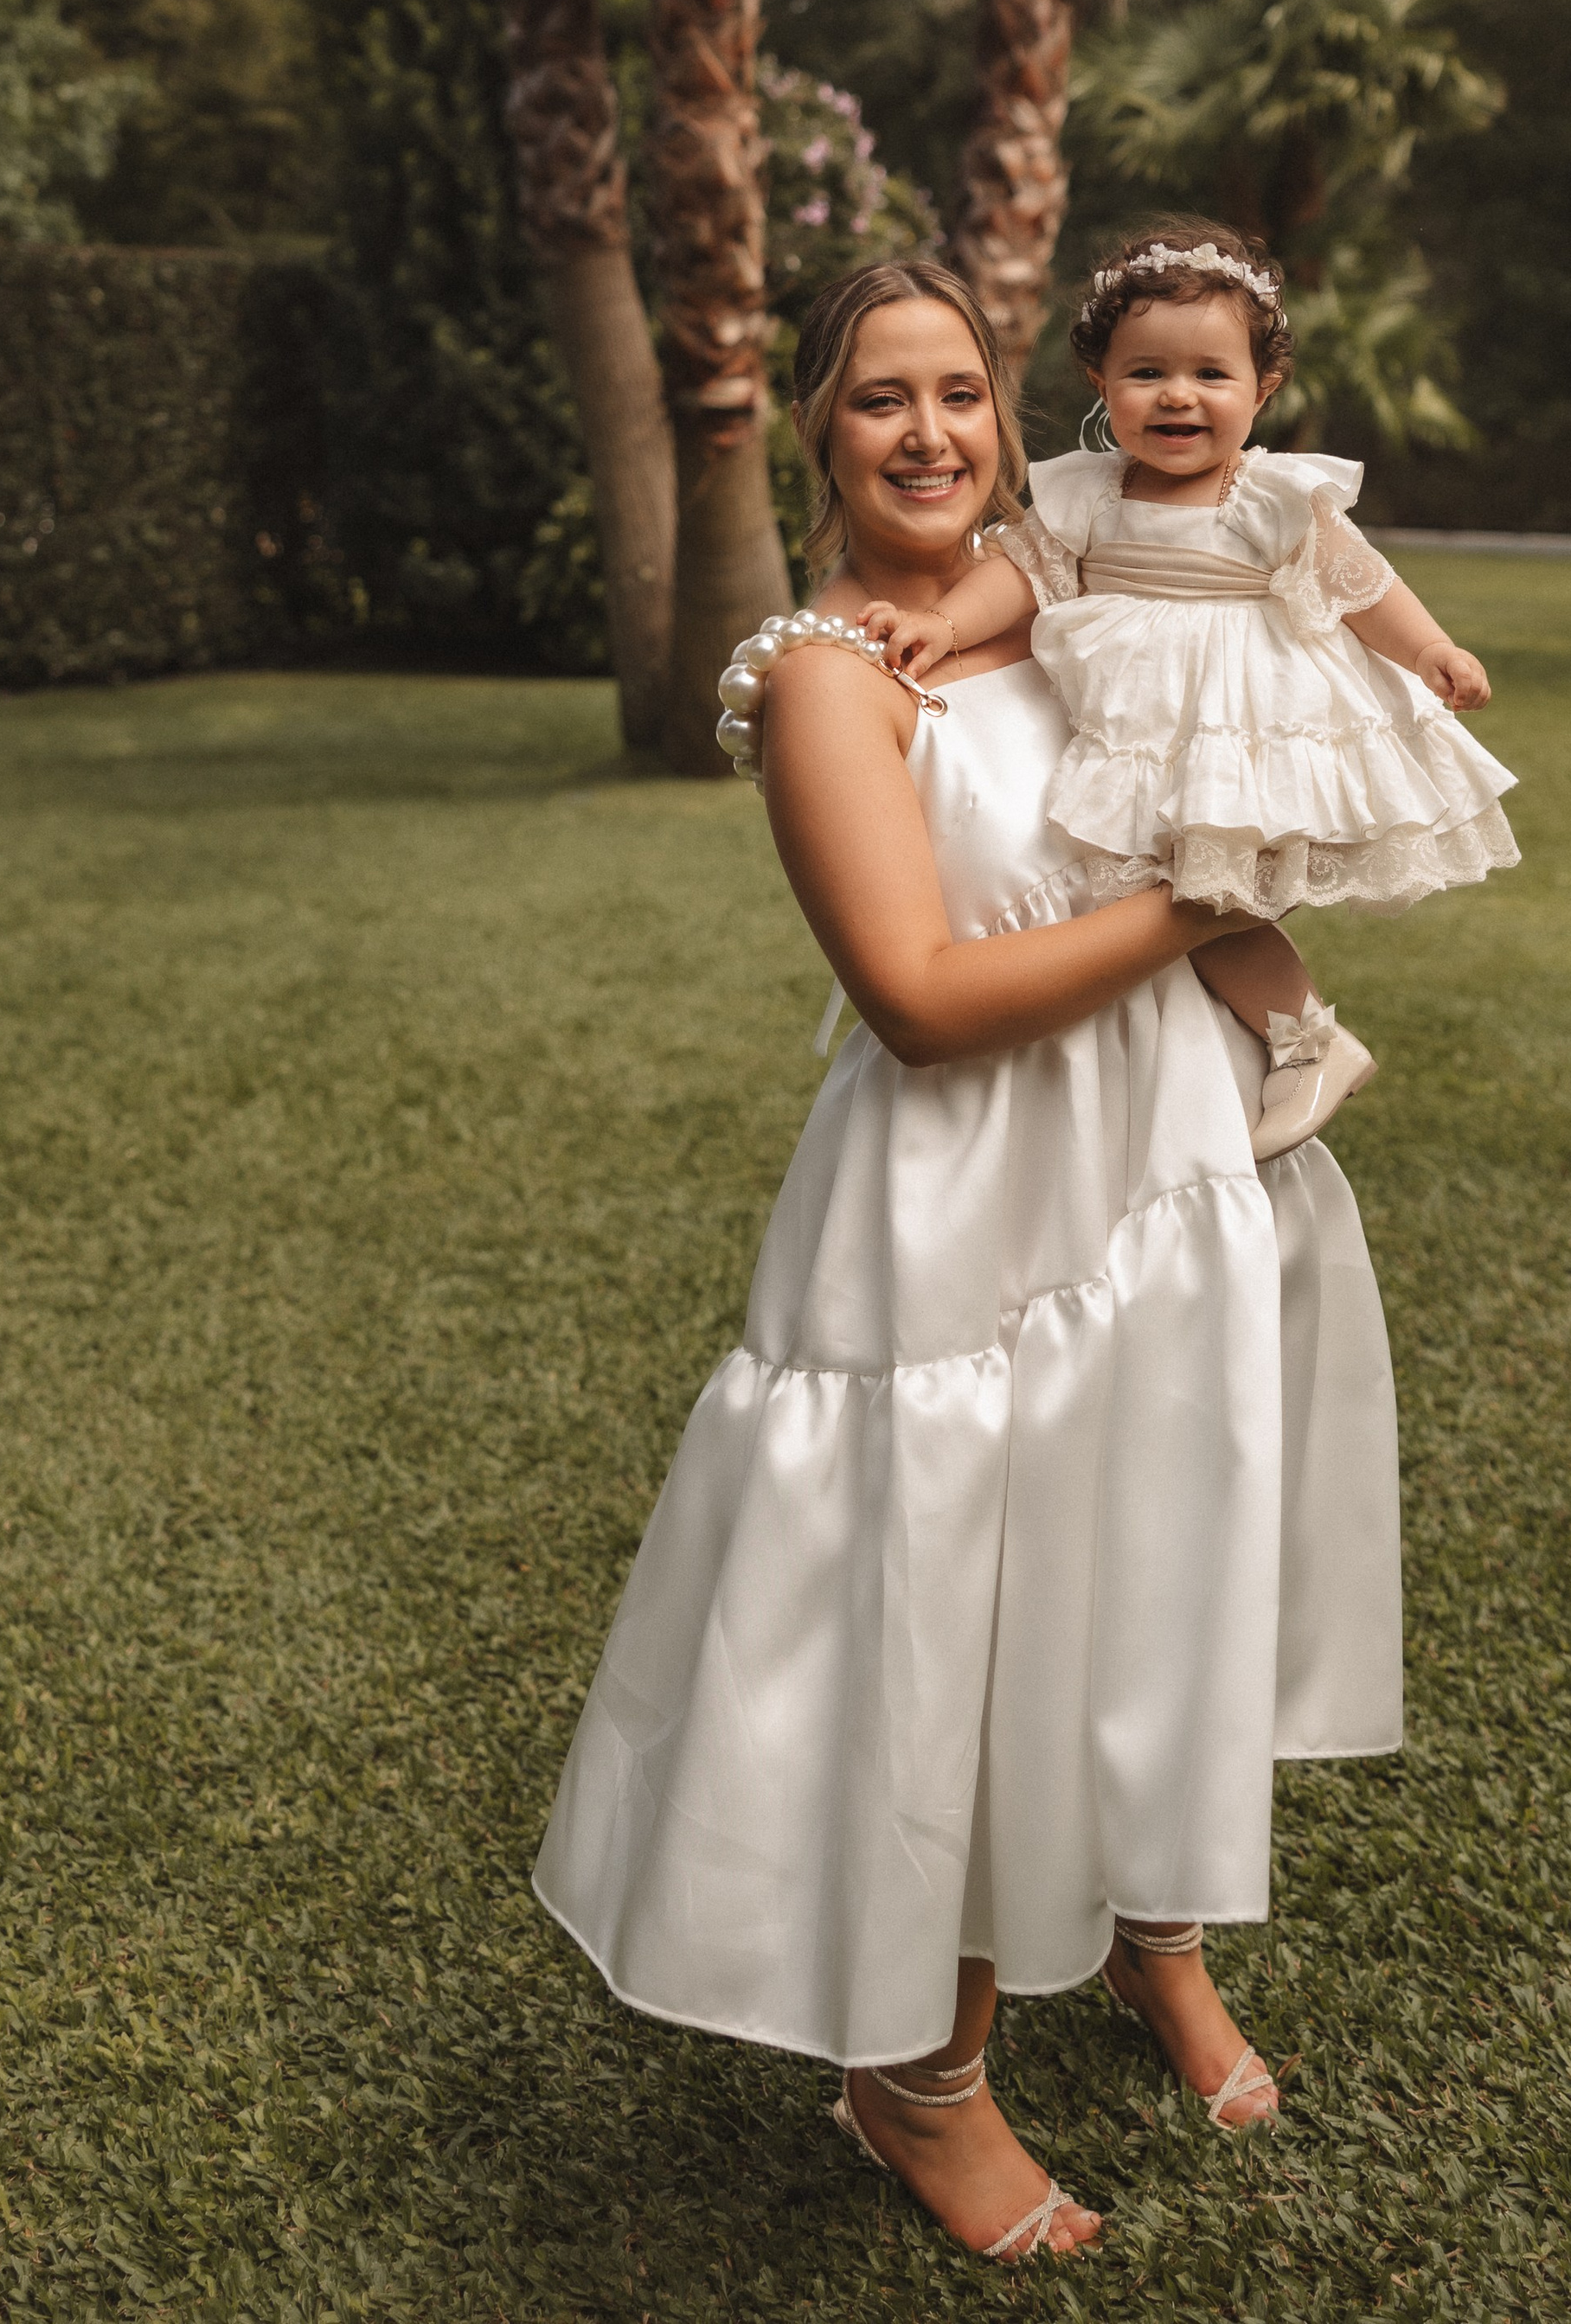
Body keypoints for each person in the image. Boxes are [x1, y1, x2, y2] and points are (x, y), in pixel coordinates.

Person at [535, 259, 1410, 2264]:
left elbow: (1274, 594)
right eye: (876, 402)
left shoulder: (1061, 585)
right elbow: (922, 996)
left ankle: (1145, 1934)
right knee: (974, 1616)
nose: (927, 434)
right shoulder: (829, 673)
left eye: (958, 393)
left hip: (1155, 1159)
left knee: (1152, 1558)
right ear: (815, 435)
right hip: (967, 1210)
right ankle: (915, 2077)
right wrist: (1211, 896)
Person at [856, 219, 1520, 1157]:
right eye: (1146, 374)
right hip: (1141, 723)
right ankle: (1260, 1046)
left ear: (1264, 389)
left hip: (1244, 718)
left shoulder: (1268, 495)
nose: (1178, 397)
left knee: (1202, 888)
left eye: (1211, 375)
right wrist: (945, 624)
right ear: (1100, 383)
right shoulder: (1089, 492)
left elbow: (1358, 581)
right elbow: (1020, 570)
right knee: (1146, 890)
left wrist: (1430, 651)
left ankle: (1304, 1038)